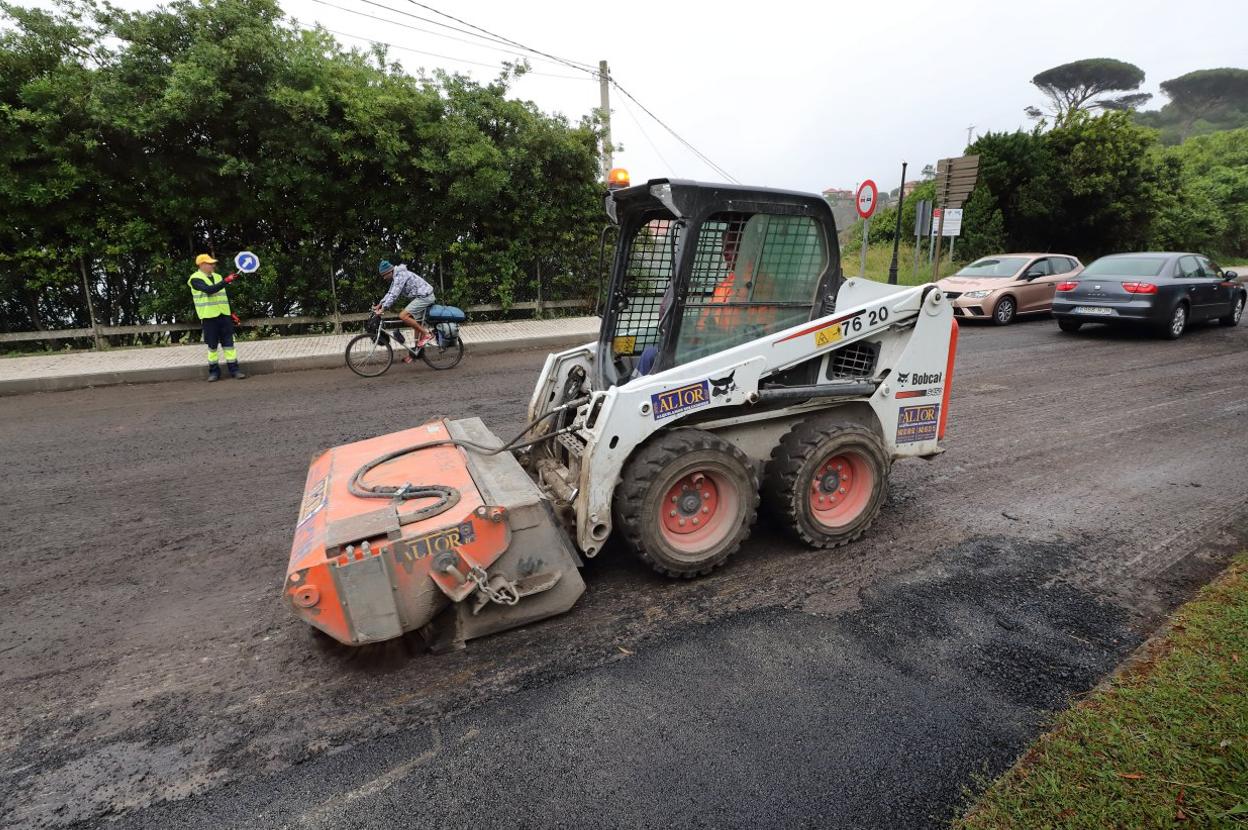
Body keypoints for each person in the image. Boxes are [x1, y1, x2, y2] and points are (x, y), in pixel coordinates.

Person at [187, 254, 246, 381]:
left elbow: (223, 297)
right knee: (212, 347)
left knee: (229, 344)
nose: (213, 265)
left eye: (213, 263)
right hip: (209, 317)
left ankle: (235, 370)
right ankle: (214, 372)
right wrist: (226, 281)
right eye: (210, 263)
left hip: (224, 315)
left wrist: (231, 313)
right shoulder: (195, 279)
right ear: (201, 264)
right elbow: (209, 290)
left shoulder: (218, 277)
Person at [374, 259, 436, 360]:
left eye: (384, 275)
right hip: (419, 297)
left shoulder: (400, 276)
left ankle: (427, 334)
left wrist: (384, 308)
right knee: (416, 324)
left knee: (403, 316)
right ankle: (415, 353)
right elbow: (390, 292)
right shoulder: (396, 276)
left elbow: (394, 295)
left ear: (390, 271)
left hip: (425, 297)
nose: (384, 278)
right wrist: (380, 304)